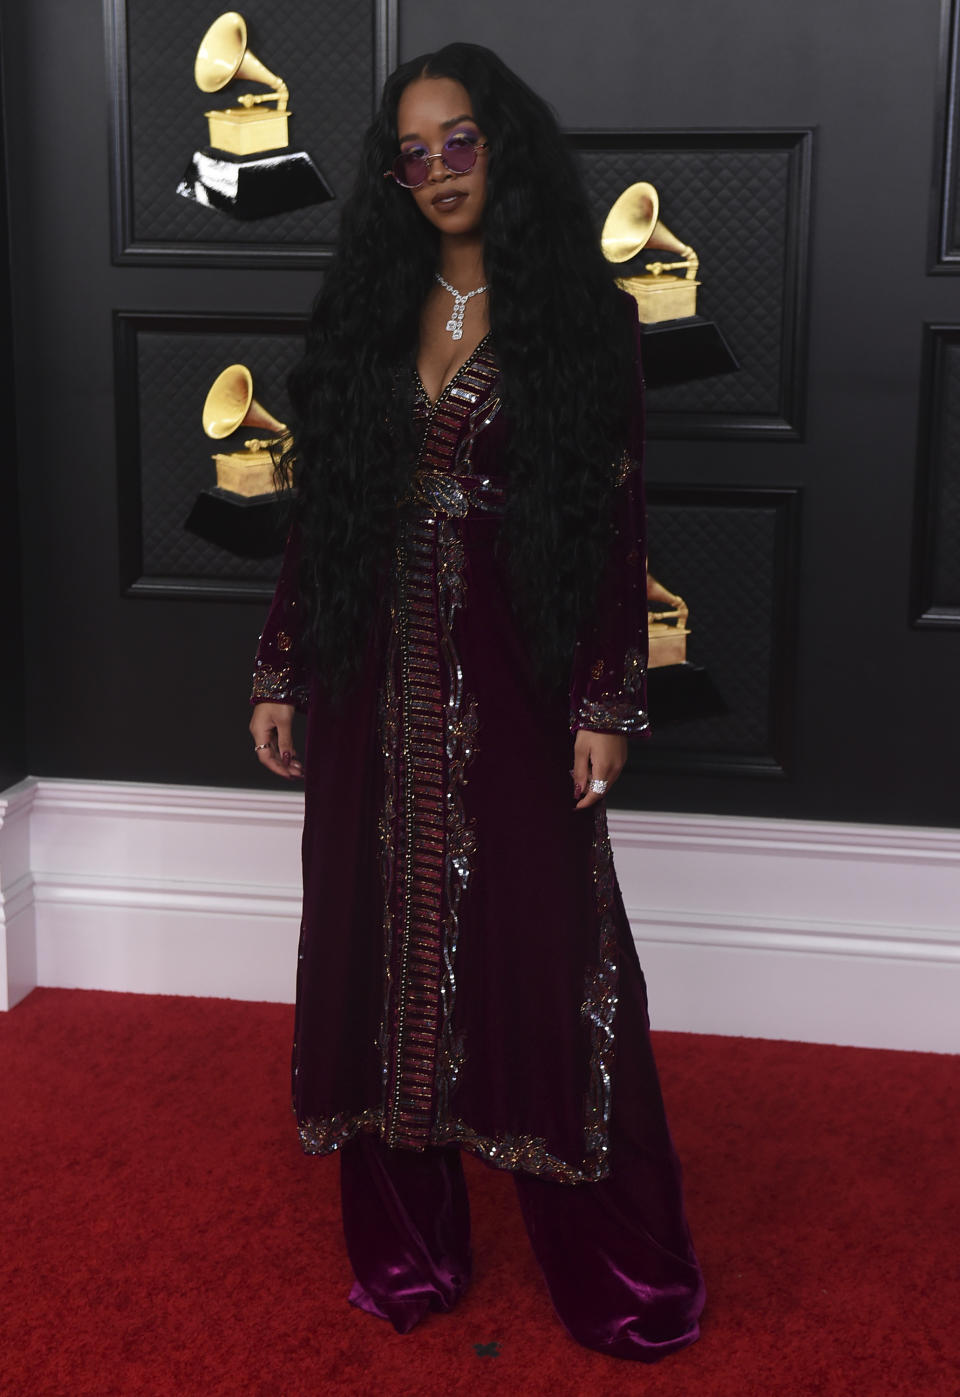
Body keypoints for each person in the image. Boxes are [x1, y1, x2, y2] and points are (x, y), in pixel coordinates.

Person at [248, 42, 706, 1362]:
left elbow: (616, 524)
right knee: (371, 950)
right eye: (414, 152)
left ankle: (620, 1269)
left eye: (461, 141)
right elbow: (314, 520)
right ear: (392, 176)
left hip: (515, 684)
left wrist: (606, 697)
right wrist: (279, 663)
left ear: (503, 146)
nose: (439, 169)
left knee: (547, 957)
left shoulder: (585, 321)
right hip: (358, 688)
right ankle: (408, 1245)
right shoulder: (367, 313)